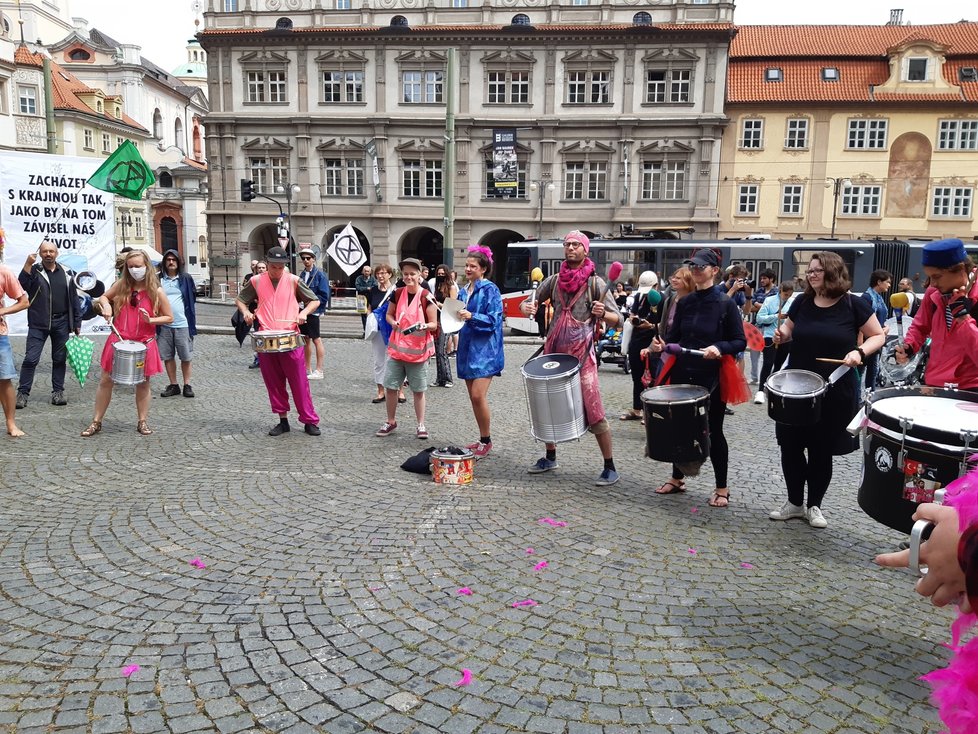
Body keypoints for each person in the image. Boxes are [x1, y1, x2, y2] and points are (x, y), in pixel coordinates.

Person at [769, 252, 885, 528]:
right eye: (809, 271)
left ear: (832, 271)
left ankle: (814, 506)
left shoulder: (853, 305)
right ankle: (794, 502)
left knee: (821, 448)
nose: (811, 275)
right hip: (797, 386)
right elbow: (788, 330)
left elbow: (879, 335)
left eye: (817, 270)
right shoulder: (801, 302)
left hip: (834, 388)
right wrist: (781, 336)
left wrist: (859, 351)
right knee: (791, 446)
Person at [520, 230, 622, 486]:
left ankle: (609, 466)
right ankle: (550, 456)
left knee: (594, 408)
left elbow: (618, 318)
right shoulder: (554, 281)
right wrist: (527, 307)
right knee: (546, 404)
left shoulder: (596, 284)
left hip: (583, 353)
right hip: (554, 350)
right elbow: (526, 303)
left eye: (576, 244)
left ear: (585, 250)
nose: (571, 248)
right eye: (567, 244)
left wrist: (603, 313)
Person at [650, 249, 746, 507]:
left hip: (711, 374)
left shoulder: (725, 303)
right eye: (693, 265)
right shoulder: (686, 302)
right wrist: (662, 345)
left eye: (701, 266)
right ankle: (677, 477)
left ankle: (722, 487)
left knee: (714, 429)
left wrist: (720, 348)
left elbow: (739, 340)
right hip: (684, 371)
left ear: (714, 271)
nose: (695, 270)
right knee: (679, 425)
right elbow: (675, 338)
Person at [82, 250, 174, 437]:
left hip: (144, 342)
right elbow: (103, 297)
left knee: (143, 383)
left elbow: (169, 317)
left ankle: (142, 421)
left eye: (138, 266)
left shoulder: (156, 291)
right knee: (106, 380)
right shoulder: (121, 285)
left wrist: (152, 321)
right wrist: (106, 306)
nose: (134, 270)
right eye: (130, 267)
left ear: (146, 267)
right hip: (119, 339)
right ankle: (96, 422)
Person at [235, 247, 322, 436]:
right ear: (267, 264)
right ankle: (283, 421)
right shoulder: (256, 281)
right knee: (274, 383)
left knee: (299, 382)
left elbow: (314, 300)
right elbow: (240, 300)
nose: (278, 270)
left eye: (281, 267)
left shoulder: (293, 281)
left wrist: (304, 313)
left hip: (290, 336)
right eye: (274, 267)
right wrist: (247, 312)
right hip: (267, 339)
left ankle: (309, 421)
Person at [895, 238, 978, 390]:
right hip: (935, 383)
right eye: (930, 277)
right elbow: (920, 327)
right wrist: (909, 346)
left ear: (960, 269)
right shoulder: (934, 293)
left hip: (971, 388)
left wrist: (964, 319)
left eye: (937, 276)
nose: (932, 284)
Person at [376, 258, 439, 440]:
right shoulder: (397, 293)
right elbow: (388, 314)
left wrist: (424, 325)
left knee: (418, 390)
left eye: (413, 274)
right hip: (397, 351)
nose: (409, 277)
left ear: (420, 275)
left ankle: (421, 424)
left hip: (418, 353)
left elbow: (434, 324)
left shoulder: (426, 295)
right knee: (390, 387)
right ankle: (391, 421)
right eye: (406, 274)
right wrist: (393, 322)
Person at [16, 241, 83, 408]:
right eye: (45, 251)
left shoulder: (67, 272)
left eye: (51, 251)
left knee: (59, 359)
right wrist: (27, 264)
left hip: (62, 322)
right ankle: (22, 394)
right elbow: (21, 285)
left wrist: (77, 321)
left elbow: (75, 299)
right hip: (39, 322)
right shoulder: (34, 270)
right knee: (31, 359)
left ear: (57, 253)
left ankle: (58, 392)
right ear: (40, 253)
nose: (48, 254)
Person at [456, 245, 504, 459]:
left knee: (478, 395)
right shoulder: (462, 290)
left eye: (472, 266)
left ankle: (487, 440)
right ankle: (482, 438)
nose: (468, 269)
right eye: (466, 265)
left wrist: (471, 316)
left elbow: (494, 320)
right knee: (473, 398)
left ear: (483, 269)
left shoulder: (490, 289)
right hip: (467, 347)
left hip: (486, 350)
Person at [157, 249, 198, 399]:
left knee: (186, 357)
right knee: (168, 356)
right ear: (164, 263)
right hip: (164, 325)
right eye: (168, 260)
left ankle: (187, 384)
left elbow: (191, 299)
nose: (171, 262)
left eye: (174, 260)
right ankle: (173, 384)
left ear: (178, 262)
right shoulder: (158, 279)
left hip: (183, 323)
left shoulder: (185, 278)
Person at [620, 270, 661, 422]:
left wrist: (650, 325)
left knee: (653, 377)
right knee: (637, 376)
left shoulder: (661, 299)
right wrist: (633, 319)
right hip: (637, 340)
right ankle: (637, 408)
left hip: (652, 342)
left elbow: (664, 323)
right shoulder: (639, 296)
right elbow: (634, 313)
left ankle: (650, 410)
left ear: (656, 286)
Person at [365, 264, 406, 405]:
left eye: (384, 273)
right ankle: (381, 391)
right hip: (378, 329)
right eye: (378, 273)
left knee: (397, 360)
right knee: (379, 361)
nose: (381, 276)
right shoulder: (373, 291)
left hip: (393, 328)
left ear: (390, 274)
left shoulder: (397, 291)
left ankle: (400, 391)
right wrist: (370, 318)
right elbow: (369, 307)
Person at [753, 280, 797, 404]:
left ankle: (773, 388)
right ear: (780, 291)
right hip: (770, 335)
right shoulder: (770, 300)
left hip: (786, 337)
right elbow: (759, 318)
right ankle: (760, 390)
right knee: (768, 362)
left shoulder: (793, 302)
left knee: (779, 365)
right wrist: (776, 316)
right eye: (785, 294)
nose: (787, 297)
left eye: (789, 295)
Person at [0, 262, 29, 436]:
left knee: (4, 380)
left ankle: (11, 424)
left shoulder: (3, 271)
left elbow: (24, 302)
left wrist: (2, 311)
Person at [297, 248, 330, 380]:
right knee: (306, 340)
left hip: (314, 312)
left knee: (316, 339)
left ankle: (319, 370)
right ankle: (307, 368)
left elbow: (324, 295)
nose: (305, 260)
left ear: (313, 259)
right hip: (302, 312)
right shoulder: (301, 275)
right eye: (303, 258)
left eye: (308, 258)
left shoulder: (320, 275)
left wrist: (313, 306)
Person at [860, 268, 892, 393]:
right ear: (879, 282)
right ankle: (859, 401)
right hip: (867, 341)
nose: (889, 285)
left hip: (876, 341)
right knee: (862, 371)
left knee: (873, 371)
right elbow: (861, 320)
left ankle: (870, 397)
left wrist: (886, 328)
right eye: (887, 282)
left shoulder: (877, 298)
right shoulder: (867, 298)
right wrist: (860, 342)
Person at [745, 268, 778, 386]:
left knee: (768, 355)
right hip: (757, 326)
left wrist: (759, 307)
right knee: (754, 353)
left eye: (764, 278)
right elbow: (751, 304)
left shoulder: (776, 292)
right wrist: (764, 307)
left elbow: (775, 310)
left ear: (771, 279)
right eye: (761, 278)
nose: (762, 281)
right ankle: (754, 377)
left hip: (769, 328)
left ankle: (766, 379)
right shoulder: (759, 290)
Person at [431, 263, 459, 388]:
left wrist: (438, 304)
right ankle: (439, 379)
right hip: (437, 320)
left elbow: (453, 305)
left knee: (442, 350)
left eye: (443, 274)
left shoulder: (451, 287)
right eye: (439, 274)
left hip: (446, 320)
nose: (441, 276)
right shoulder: (437, 286)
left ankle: (448, 378)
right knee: (437, 350)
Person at [245, 260, 266, 369]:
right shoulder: (253, 281)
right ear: (256, 269)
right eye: (259, 268)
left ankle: (268, 359)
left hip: (268, 314)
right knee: (258, 336)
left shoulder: (269, 281)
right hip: (256, 313)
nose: (261, 269)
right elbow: (245, 296)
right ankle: (258, 359)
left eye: (263, 267)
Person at [354, 265, 376, 332]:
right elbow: (358, 288)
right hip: (361, 298)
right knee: (363, 315)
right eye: (365, 271)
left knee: (371, 314)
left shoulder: (373, 279)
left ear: (370, 272)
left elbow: (375, 287)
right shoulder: (359, 278)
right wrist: (367, 288)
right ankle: (365, 331)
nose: (366, 272)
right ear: (363, 271)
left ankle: (371, 330)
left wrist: (365, 289)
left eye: (368, 271)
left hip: (371, 297)